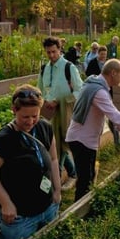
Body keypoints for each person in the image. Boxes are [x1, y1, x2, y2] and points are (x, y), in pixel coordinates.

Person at [0, 85, 62, 239]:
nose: (30, 121)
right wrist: (6, 203)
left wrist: (57, 190)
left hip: (48, 208)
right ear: (14, 110)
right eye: (25, 116)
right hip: (20, 218)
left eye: (35, 116)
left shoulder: (44, 127)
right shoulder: (4, 140)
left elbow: (53, 159)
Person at [66, 59, 120, 201]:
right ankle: (78, 212)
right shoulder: (99, 91)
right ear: (113, 73)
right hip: (82, 140)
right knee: (85, 182)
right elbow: (116, 117)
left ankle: (84, 207)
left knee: (88, 178)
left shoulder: (93, 84)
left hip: (82, 138)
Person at [37, 37, 84, 191]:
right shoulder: (44, 69)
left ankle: (56, 184)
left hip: (64, 113)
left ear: (60, 50)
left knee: (61, 144)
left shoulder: (69, 67)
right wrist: (43, 102)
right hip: (48, 114)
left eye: (54, 52)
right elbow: (40, 90)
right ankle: (72, 174)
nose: (51, 55)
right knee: (53, 145)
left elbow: (80, 91)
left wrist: (60, 101)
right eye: (48, 52)